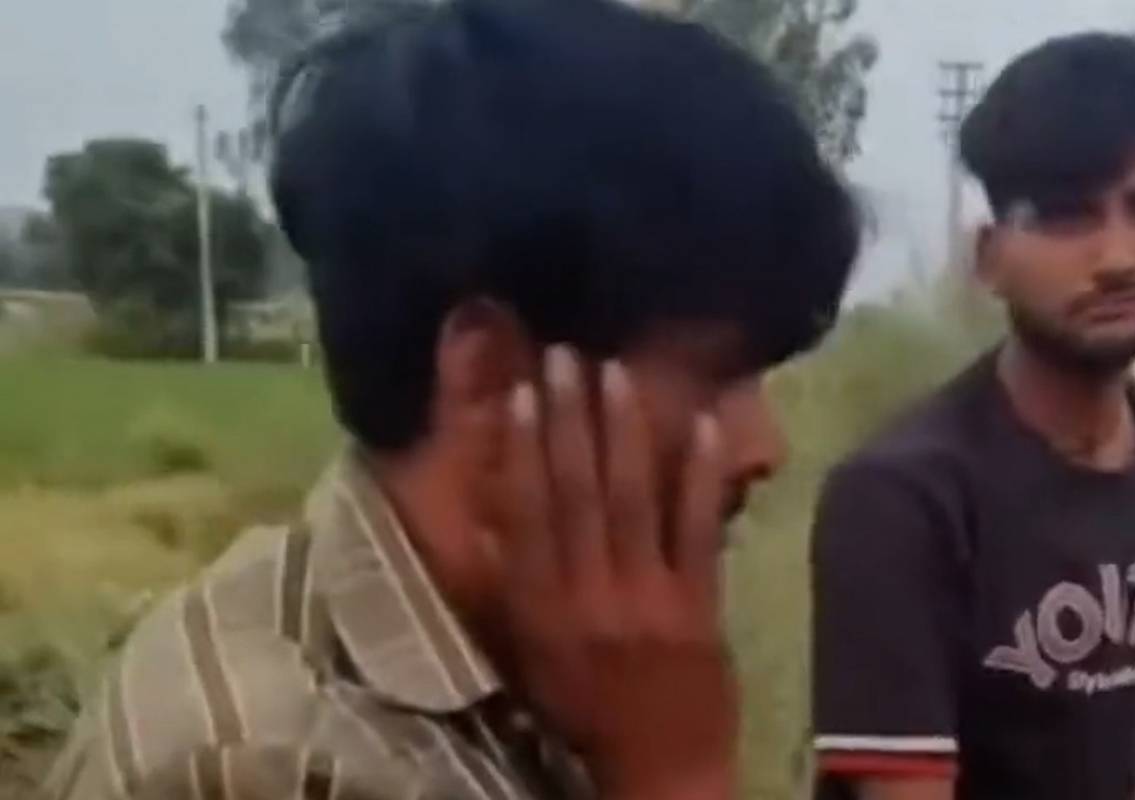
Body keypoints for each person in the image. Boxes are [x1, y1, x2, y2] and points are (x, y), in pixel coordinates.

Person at [43, 0, 860, 797]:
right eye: (719, 375)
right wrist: (676, 773)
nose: (766, 446)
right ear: (491, 374)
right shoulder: (274, 765)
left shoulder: (538, 666)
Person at [812, 33, 1135, 800]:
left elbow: (1120, 678)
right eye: (1067, 217)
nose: (1119, 256)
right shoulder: (903, 497)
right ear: (989, 256)